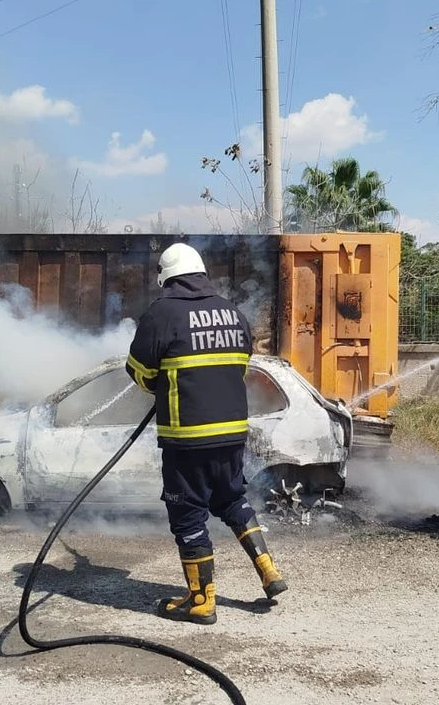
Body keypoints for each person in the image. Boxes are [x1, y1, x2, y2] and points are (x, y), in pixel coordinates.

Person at [125, 242, 288, 625]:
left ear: (166, 278)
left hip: (187, 439)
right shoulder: (232, 313)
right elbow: (239, 367)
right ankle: (269, 570)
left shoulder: (162, 313)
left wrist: (163, 385)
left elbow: (139, 371)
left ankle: (201, 602)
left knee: (188, 515)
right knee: (231, 499)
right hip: (232, 433)